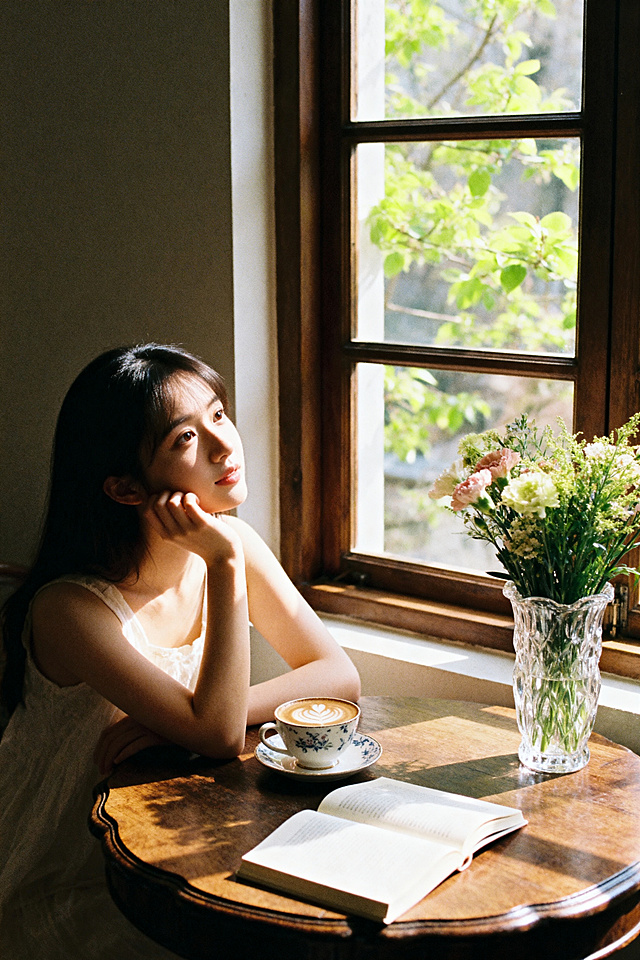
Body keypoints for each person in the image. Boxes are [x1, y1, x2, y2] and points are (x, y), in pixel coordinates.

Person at [0, 343, 360, 959]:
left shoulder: (237, 542)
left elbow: (337, 676)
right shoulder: (70, 610)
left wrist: (180, 726)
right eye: (183, 439)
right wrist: (220, 565)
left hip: (167, 853)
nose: (224, 447)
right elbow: (219, 735)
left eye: (218, 415)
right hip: (64, 880)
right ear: (123, 486)